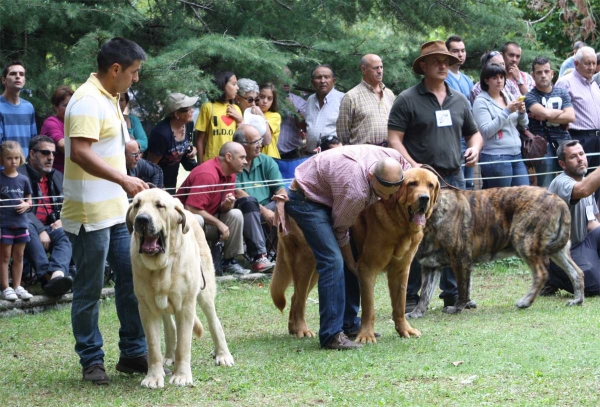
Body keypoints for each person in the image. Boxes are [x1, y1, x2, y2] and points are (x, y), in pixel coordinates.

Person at [62, 37, 149, 385]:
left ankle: (133, 352)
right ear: (115, 70)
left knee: (131, 281)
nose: (136, 79)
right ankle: (91, 360)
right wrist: (124, 180)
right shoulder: (85, 100)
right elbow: (79, 153)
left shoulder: (110, 98)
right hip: (88, 214)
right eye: (133, 72)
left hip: (116, 212)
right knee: (89, 289)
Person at [387, 40, 483, 311]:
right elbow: (394, 138)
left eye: (447, 61)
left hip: (454, 180)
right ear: (424, 66)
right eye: (437, 61)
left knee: (458, 237)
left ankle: (454, 294)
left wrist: (475, 148)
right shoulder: (407, 99)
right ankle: (411, 297)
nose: (444, 65)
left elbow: (474, 133)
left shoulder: (460, 99)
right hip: (420, 183)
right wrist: (413, 165)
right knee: (417, 234)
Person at [286, 145, 411, 350]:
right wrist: (351, 263)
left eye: (392, 194)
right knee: (333, 260)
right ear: (371, 177)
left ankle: (348, 323)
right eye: (381, 194)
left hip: (330, 187)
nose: (387, 200)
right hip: (306, 198)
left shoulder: (396, 158)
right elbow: (340, 231)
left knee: (348, 257)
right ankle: (331, 335)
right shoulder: (356, 192)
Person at [176, 142, 250, 275]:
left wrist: (227, 206)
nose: (245, 161)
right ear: (228, 157)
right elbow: (190, 208)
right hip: (183, 224)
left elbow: (221, 209)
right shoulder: (207, 174)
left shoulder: (231, 174)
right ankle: (192, 264)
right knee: (196, 218)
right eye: (242, 157)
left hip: (208, 221)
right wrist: (219, 223)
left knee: (235, 213)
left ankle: (229, 261)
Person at [18, 136, 74, 297]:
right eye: (45, 153)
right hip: (28, 227)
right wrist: (41, 230)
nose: (50, 157)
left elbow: (70, 204)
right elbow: (20, 210)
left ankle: (57, 275)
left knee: (66, 231)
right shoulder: (17, 177)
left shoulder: (57, 176)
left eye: (53, 154)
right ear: (32, 154)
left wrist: (63, 220)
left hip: (53, 227)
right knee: (26, 227)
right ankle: (47, 277)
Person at [544, 140, 600, 296]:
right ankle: (551, 277)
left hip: (583, 243)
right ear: (562, 164)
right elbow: (583, 190)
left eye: (581, 154)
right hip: (562, 252)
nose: (580, 159)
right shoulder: (561, 183)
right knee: (595, 286)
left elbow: (592, 223)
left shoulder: (585, 181)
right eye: (573, 157)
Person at [232, 125, 284, 272]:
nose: (260, 144)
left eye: (260, 140)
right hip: (244, 210)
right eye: (255, 142)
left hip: (268, 206)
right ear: (241, 146)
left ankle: (287, 252)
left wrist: (280, 203)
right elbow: (237, 192)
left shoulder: (267, 161)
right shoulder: (232, 163)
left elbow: (280, 188)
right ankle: (259, 257)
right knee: (249, 203)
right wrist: (265, 212)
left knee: (288, 202)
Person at [473, 63, 529, 188]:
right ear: (486, 80)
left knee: (525, 195)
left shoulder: (508, 96)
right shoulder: (480, 101)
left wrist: (522, 112)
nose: (499, 81)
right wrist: (507, 111)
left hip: (516, 153)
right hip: (496, 157)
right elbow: (486, 131)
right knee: (501, 202)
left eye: (501, 77)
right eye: (494, 78)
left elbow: (524, 124)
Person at [525, 57, 574, 187]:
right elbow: (546, 113)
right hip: (542, 146)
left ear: (552, 73)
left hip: (565, 142)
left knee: (570, 183)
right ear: (533, 75)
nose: (543, 75)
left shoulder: (562, 92)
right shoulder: (530, 96)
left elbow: (571, 116)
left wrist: (546, 116)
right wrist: (560, 113)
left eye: (546, 72)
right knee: (546, 186)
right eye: (539, 72)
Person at [555, 46, 600, 178]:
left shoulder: (594, 84)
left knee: (595, 183)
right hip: (579, 139)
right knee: (578, 181)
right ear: (576, 64)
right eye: (587, 63)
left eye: (594, 63)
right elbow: (557, 113)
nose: (591, 67)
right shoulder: (565, 83)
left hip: (597, 138)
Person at [336, 54, 395, 146]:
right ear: (364, 69)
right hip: (363, 154)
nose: (380, 71)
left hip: (388, 152)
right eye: (375, 68)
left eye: (381, 67)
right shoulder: (351, 96)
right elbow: (342, 135)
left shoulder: (389, 94)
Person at [0, 141, 33, 301]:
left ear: (20, 158)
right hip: (4, 225)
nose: (13, 161)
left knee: (19, 256)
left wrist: (27, 204)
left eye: (16, 158)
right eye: (8, 158)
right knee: (5, 257)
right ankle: (6, 288)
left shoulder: (24, 179)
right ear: (2, 159)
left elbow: (30, 199)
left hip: (21, 224)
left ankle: (17, 286)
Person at [145, 92, 197, 192]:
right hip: (157, 183)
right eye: (188, 109)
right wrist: (159, 187)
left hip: (172, 179)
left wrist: (192, 150)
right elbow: (150, 166)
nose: (192, 111)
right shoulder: (161, 133)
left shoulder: (188, 125)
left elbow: (182, 149)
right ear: (176, 114)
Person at [445, 35, 475, 190]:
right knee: (457, 184)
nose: (460, 54)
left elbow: (472, 105)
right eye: (455, 51)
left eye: (463, 51)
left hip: (468, 135)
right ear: (447, 53)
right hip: (454, 136)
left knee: (469, 182)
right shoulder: (444, 78)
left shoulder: (466, 79)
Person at [195, 71, 243, 163]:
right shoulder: (208, 107)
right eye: (234, 84)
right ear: (222, 85)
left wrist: (239, 119)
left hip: (232, 162)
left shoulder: (236, 108)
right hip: (211, 161)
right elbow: (199, 141)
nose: (237, 88)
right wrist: (200, 165)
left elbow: (242, 137)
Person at [305, 64, 345, 154]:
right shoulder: (310, 100)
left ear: (333, 80)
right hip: (311, 155)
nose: (322, 81)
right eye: (318, 77)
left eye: (326, 77)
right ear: (312, 81)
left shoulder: (342, 99)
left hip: (334, 155)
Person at [0, 61, 37, 158]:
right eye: (13, 74)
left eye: (21, 74)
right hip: (4, 168)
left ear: (24, 81)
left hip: (24, 167)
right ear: (3, 80)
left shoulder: (29, 107)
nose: (18, 76)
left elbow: (33, 141)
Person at [39, 85, 74, 173]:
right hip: (56, 177)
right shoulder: (51, 122)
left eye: (72, 104)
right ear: (55, 106)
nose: (70, 108)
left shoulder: (74, 122)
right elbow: (62, 145)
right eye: (66, 105)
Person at [278, 76, 307, 159]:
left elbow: (303, 126)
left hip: (291, 153)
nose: (287, 82)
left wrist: (294, 110)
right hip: (267, 153)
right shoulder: (265, 99)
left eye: (289, 78)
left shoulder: (299, 101)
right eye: (283, 78)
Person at [257, 82, 282, 159]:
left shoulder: (275, 116)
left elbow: (265, 137)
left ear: (273, 101)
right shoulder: (249, 113)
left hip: (270, 158)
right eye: (262, 97)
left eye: (269, 98)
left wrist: (260, 114)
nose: (265, 101)